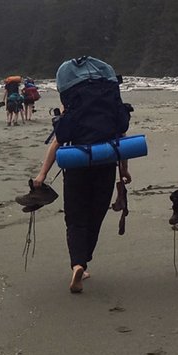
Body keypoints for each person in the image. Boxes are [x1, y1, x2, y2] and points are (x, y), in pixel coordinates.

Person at [31, 58, 131, 293]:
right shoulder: (109, 107)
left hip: (76, 164)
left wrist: (42, 174)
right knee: (96, 215)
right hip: (106, 163)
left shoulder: (72, 112)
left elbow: (57, 142)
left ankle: (77, 264)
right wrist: (124, 169)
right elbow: (122, 137)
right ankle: (84, 260)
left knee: (75, 218)